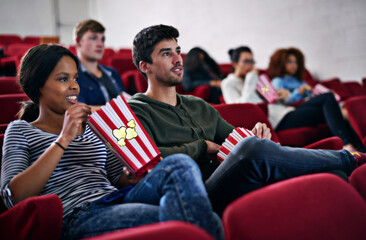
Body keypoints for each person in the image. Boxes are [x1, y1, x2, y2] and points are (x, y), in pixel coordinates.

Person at [128, 24, 366, 215]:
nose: (178, 59)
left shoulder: (197, 104)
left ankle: (344, 165)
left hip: (234, 177)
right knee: (253, 150)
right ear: (145, 66)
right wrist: (201, 147)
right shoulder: (136, 111)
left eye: (178, 51)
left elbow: (237, 140)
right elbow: (146, 164)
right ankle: (351, 158)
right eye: (166, 53)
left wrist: (255, 133)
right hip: (197, 194)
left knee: (335, 179)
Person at [0, 44, 223, 240]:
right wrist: (64, 138)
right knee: (201, 218)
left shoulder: (92, 128)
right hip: (78, 215)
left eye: (75, 78)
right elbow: (15, 196)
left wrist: (132, 176)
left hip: (118, 198)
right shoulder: (21, 130)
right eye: (63, 79)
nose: (74, 86)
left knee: (180, 165)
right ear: (38, 85)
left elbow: (119, 178)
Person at [268, 47, 360, 152]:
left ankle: (359, 148)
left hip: (306, 107)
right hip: (290, 112)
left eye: (296, 62)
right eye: (289, 62)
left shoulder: (300, 81)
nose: (294, 65)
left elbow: (310, 97)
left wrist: (314, 91)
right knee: (328, 97)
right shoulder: (278, 81)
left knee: (335, 108)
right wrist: (299, 91)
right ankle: (346, 145)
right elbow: (284, 101)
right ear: (281, 63)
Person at [221, 46, 294, 130]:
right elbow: (241, 107)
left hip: (282, 111)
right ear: (235, 64)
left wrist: (284, 95)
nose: (250, 65)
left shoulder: (253, 78)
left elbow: (267, 93)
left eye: (252, 62)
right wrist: (251, 77)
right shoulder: (228, 83)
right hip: (274, 120)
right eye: (246, 61)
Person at [74, 19, 130, 112]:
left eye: (102, 39)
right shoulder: (72, 74)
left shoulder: (112, 73)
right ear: (78, 41)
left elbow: (125, 100)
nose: (100, 44)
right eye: (93, 38)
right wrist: (118, 109)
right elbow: (78, 110)